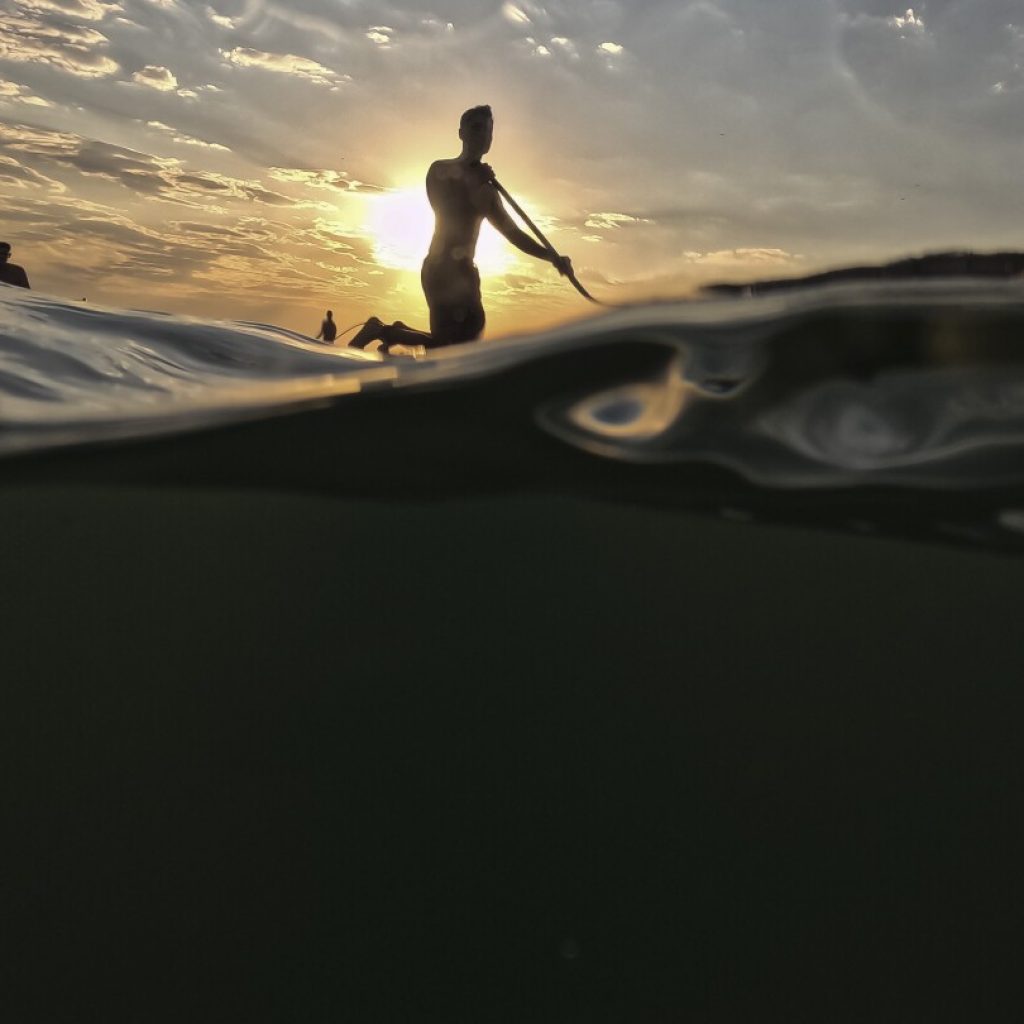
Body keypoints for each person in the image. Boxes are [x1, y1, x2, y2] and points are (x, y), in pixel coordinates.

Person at [350, 105, 572, 351]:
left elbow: (513, 234)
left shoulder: (488, 191)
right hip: (440, 269)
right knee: (448, 350)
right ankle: (383, 331)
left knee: (466, 344)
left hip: (467, 273)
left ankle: (391, 331)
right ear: (461, 133)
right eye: (476, 128)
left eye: (488, 131)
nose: (482, 135)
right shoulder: (440, 170)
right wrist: (474, 181)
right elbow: (444, 208)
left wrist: (552, 257)